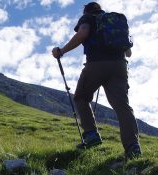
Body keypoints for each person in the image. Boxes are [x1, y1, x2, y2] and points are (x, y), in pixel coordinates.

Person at [51, 2, 141, 160]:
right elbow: (128, 52)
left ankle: (91, 135)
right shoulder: (115, 21)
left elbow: (83, 33)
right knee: (122, 106)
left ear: (87, 11)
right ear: (100, 9)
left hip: (96, 64)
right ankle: (133, 146)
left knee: (81, 97)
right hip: (120, 66)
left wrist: (62, 51)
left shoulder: (88, 18)